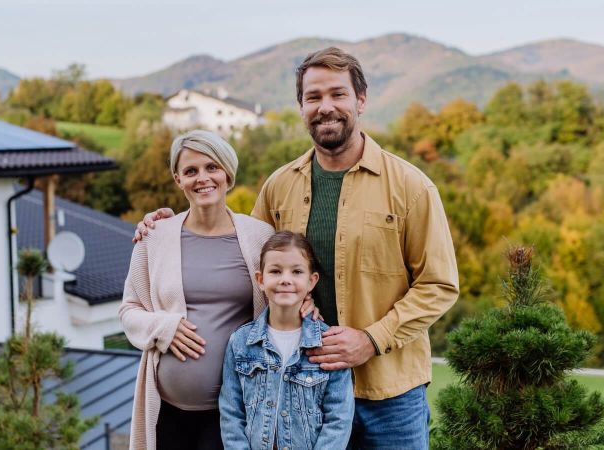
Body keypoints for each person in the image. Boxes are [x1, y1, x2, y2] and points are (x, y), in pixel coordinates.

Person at [135, 47, 459, 449]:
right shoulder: (279, 186)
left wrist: (371, 339)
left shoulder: (411, 187)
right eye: (314, 97)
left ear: (361, 99)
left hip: (388, 393)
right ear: (301, 107)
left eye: (337, 94)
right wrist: (169, 225)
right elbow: (242, 258)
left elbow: (439, 285)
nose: (326, 107)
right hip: (297, 393)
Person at [119, 130, 318, 450]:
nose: (202, 178)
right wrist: (163, 326)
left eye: (212, 167)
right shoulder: (155, 236)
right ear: (177, 179)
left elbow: (285, 288)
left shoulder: (259, 236)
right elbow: (129, 309)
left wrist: (306, 306)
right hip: (168, 410)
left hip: (236, 411)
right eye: (190, 171)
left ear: (228, 174)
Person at [220, 231, 354, 449]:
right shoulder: (241, 342)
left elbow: (339, 419)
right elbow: (231, 412)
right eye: (275, 271)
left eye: (297, 272)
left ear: (312, 281)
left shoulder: (328, 343)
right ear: (260, 280)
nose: (285, 279)